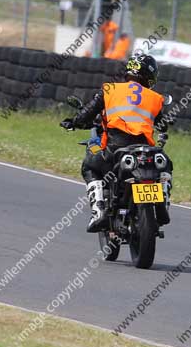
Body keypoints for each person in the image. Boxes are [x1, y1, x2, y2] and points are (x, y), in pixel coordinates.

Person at [60, 54, 172, 232]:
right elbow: (162, 124)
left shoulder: (109, 89)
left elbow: (88, 112)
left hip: (116, 149)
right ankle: (163, 202)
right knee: (165, 164)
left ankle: (99, 211)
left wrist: (73, 122)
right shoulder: (155, 98)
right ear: (149, 77)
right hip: (145, 150)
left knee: (90, 165)